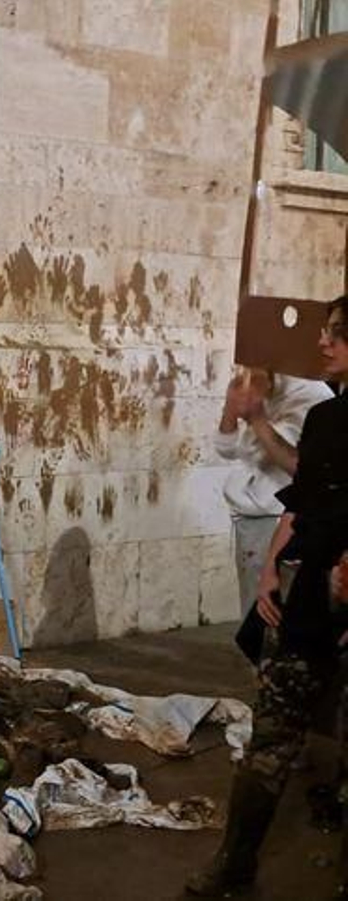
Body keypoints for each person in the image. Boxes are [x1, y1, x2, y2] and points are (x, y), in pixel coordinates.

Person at [188, 294, 348, 896]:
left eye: (336, 334)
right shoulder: (332, 418)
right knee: (273, 725)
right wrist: (274, 569)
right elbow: (304, 500)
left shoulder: (314, 404)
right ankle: (235, 862)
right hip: (308, 588)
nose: (323, 343)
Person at [215, 366, 332, 620]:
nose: (246, 370)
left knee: (273, 612)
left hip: (280, 518)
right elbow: (227, 449)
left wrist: (256, 418)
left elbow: (301, 470)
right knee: (252, 609)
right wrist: (230, 409)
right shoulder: (257, 385)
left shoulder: (312, 396)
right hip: (250, 516)